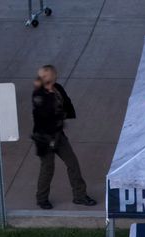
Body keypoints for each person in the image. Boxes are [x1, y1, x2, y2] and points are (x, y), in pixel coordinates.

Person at [31, 65, 96, 210]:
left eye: (46, 75)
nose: (43, 78)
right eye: (42, 76)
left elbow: (66, 103)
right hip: (44, 138)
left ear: (53, 76)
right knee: (47, 168)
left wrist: (66, 115)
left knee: (72, 163)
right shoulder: (39, 95)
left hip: (58, 135)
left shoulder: (57, 88)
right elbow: (45, 113)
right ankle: (42, 199)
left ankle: (80, 196)